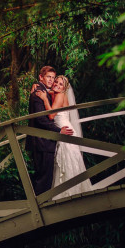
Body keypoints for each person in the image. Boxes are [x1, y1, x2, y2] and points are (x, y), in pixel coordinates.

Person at [35, 75, 93, 199]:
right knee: (69, 162)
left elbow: (51, 116)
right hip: (65, 130)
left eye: (60, 84)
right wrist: (37, 86)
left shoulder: (60, 96)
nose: (56, 84)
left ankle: (69, 194)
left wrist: (45, 99)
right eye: (56, 82)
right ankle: (72, 193)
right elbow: (48, 90)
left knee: (67, 162)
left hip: (65, 132)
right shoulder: (58, 94)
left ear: (64, 88)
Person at [26, 66, 73, 194]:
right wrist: (58, 131)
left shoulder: (45, 92)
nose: (52, 81)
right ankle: (40, 208)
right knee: (43, 178)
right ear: (41, 77)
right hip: (42, 141)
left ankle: (43, 205)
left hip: (46, 141)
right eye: (49, 77)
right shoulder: (38, 93)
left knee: (46, 177)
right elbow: (41, 119)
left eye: (53, 78)